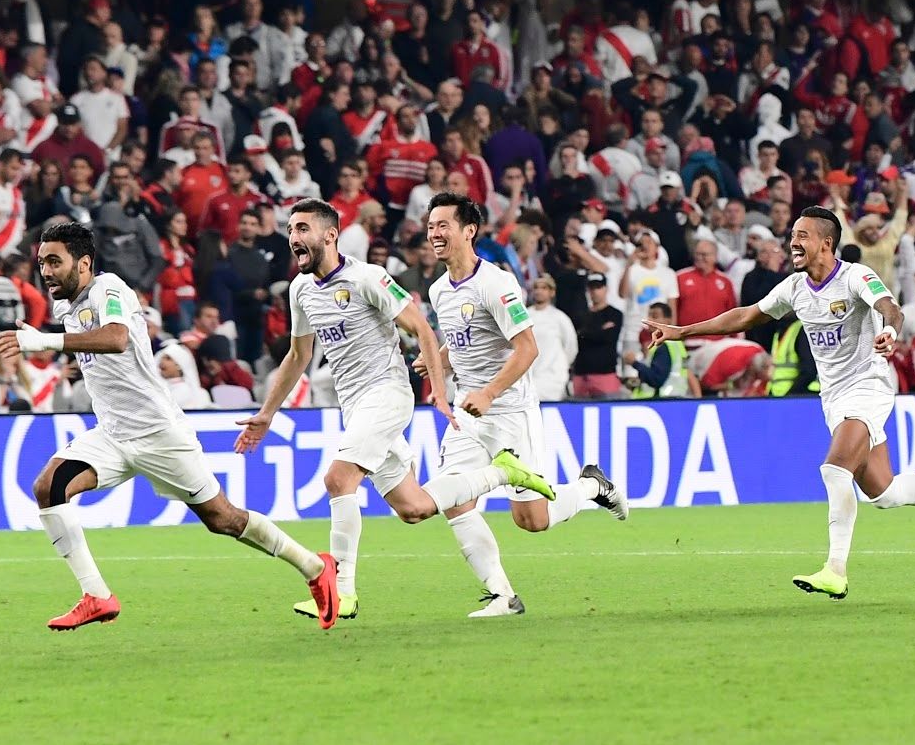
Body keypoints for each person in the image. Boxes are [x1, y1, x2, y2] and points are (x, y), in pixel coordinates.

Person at [0, 222, 340, 630]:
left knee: (222, 519)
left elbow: (117, 338)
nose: (46, 271)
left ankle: (315, 568)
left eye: (55, 261)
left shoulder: (110, 290)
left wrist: (46, 342)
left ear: (84, 263)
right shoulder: (65, 307)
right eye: (42, 263)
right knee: (48, 487)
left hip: (159, 434)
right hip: (111, 434)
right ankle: (97, 596)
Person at [645, 206, 915, 600]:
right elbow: (747, 315)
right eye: (793, 235)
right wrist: (682, 331)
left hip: (870, 382)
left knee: (835, 469)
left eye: (803, 235)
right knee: (884, 494)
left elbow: (890, 308)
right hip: (834, 396)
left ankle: (835, 569)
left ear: (826, 243)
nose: (793, 242)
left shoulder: (855, 276)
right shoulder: (795, 288)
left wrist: (888, 333)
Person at [234, 198, 556, 622]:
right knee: (414, 508)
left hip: (386, 393)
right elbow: (298, 355)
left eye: (302, 229)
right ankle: (504, 472)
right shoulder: (299, 290)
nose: (294, 238)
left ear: (330, 235)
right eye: (291, 230)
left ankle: (340, 590)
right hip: (355, 405)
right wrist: (268, 413)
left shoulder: (369, 277)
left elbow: (420, 326)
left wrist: (439, 394)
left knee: (338, 478)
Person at [418, 192, 628, 614]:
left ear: (469, 231)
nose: (434, 233)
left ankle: (593, 487)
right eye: (431, 226)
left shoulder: (496, 283)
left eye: (443, 225)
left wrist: (490, 392)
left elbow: (527, 349)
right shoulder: (439, 289)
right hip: (466, 413)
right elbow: (462, 339)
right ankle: (502, 594)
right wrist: (436, 360)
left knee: (531, 520)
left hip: (509, 411)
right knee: (455, 501)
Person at [526, 274, 577, 401]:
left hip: (553, 378)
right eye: (536, 288)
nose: (539, 291)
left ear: (552, 292)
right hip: (528, 377)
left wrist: (562, 365)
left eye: (544, 288)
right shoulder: (525, 315)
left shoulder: (560, 317)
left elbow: (571, 346)